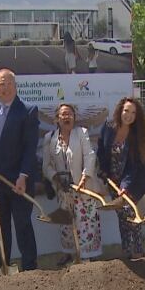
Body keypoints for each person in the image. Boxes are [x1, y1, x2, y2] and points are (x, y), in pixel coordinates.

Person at [0, 68, 39, 271]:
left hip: (18, 182)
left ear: (16, 85)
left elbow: (30, 147)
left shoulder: (28, 110)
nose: (6, 88)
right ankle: (2, 267)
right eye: (1, 84)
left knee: (22, 226)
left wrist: (23, 176)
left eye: (9, 83)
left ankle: (30, 269)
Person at [43, 103, 102, 264]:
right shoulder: (50, 138)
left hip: (84, 189)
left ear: (74, 118)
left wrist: (85, 177)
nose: (66, 117)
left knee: (86, 222)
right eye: (63, 114)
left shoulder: (81, 133)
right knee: (67, 224)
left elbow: (90, 156)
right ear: (57, 118)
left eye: (70, 114)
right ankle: (69, 254)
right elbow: (46, 165)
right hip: (64, 190)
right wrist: (54, 177)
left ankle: (87, 256)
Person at [98, 98, 145, 259]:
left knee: (130, 213)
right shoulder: (109, 127)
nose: (129, 115)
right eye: (126, 111)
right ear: (120, 111)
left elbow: (133, 165)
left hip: (133, 180)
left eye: (133, 113)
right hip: (112, 179)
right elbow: (102, 149)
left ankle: (138, 250)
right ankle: (126, 250)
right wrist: (102, 170)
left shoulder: (136, 135)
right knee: (121, 216)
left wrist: (125, 186)